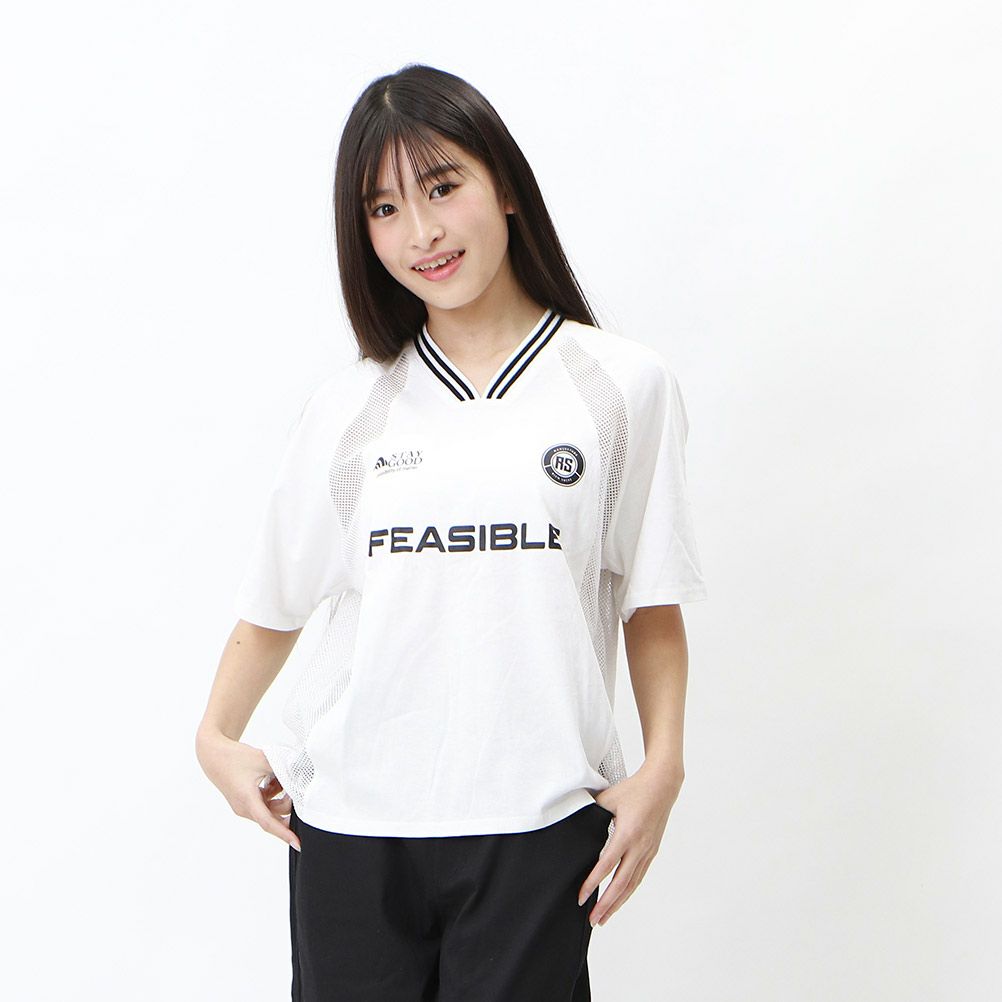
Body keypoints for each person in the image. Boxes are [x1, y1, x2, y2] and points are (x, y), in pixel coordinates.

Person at [196, 62, 708, 1002]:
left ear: (504, 186)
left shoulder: (621, 386)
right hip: (349, 829)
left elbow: (652, 601)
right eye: (385, 208)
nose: (421, 233)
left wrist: (661, 769)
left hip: (538, 823)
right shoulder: (349, 408)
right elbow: (275, 604)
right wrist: (215, 735)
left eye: (441, 188)